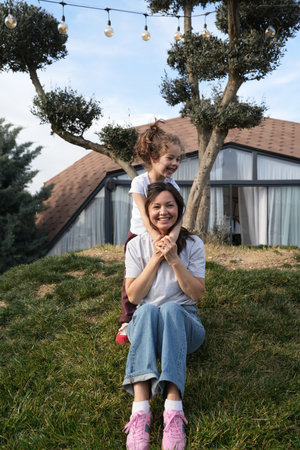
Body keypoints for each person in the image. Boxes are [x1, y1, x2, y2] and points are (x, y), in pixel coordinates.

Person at [122, 182, 205, 450]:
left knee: (171, 308)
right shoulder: (136, 246)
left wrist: (174, 259)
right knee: (146, 309)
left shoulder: (192, 243)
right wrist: (156, 258)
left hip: (185, 323)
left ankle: (173, 409)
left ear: (179, 209)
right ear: (147, 211)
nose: (163, 212)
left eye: (169, 205)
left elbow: (196, 294)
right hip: (146, 324)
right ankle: (140, 411)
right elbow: (134, 297)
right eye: (156, 206)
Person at [116, 120, 184, 345]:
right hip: (140, 235)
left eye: (178, 158)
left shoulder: (174, 186)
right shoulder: (139, 182)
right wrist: (156, 237)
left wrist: (172, 237)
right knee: (133, 277)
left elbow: (180, 215)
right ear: (154, 157)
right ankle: (127, 319)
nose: (175, 163)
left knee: (162, 273)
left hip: (166, 235)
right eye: (170, 158)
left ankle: (161, 308)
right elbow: (145, 216)